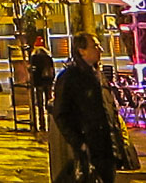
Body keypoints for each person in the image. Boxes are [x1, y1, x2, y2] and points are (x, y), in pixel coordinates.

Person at [52, 32, 127, 183]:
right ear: (82, 50)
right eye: (95, 46)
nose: (100, 49)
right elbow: (61, 114)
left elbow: (108, 108)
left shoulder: (98, 75)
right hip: (89, 146)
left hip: (107, 145)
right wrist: (79, 142)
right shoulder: (70, 78)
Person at [29, 40, 55, 132]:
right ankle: (50, 122)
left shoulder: (34, 58)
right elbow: (52, 70)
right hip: (48, 82)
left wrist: (34, 81)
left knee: (40, 104)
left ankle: (42, 124)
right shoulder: (48, 57)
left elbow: (33, 71)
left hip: (39, 82)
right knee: (48, 102)